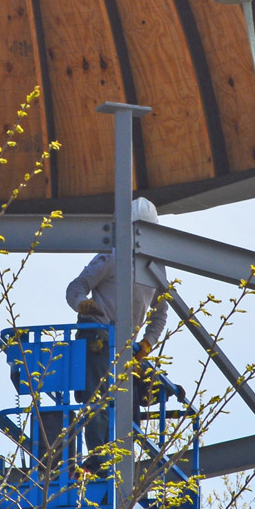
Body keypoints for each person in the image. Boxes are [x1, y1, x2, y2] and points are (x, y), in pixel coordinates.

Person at [65, 199, 172, 469]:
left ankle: (122, 462)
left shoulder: (155, 270)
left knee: (130, 405)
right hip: (98, 339)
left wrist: (147, 343)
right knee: (100, 401)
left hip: (127, 347)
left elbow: (160, 313)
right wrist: (82, 303)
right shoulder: (111, 257)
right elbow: (76, 286)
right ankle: (99, 458)